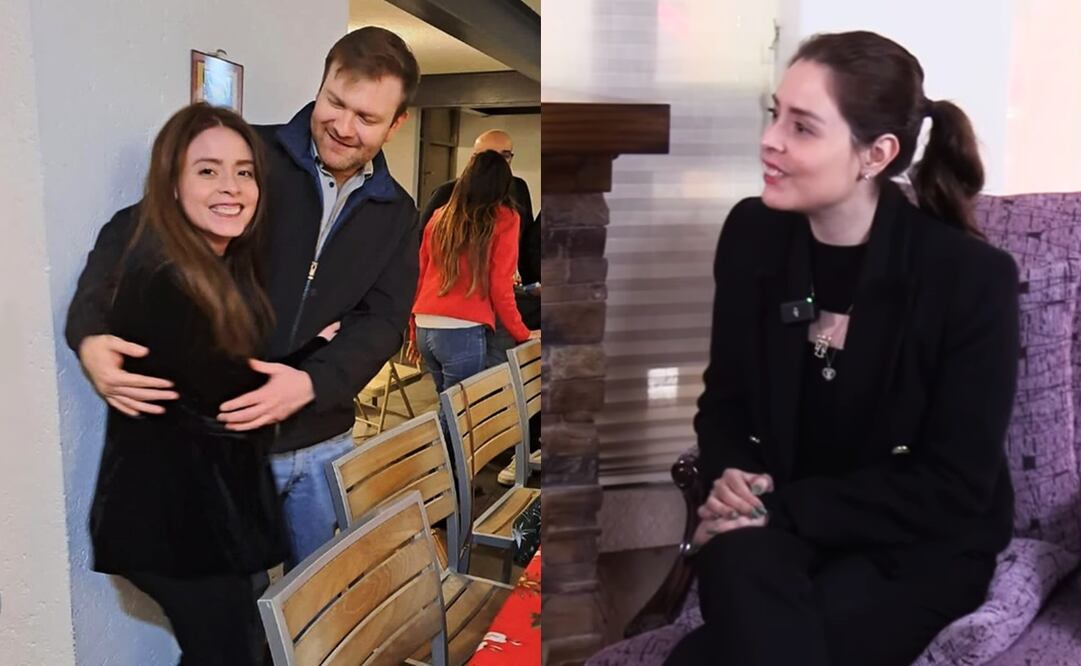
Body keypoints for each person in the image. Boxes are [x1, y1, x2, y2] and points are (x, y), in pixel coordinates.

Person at [665, 31, 1019, 666]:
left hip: (912, 543)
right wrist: (732, 481)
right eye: (775, 115)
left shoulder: (968, 278)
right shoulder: (753, 235)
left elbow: (955, 486)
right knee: (743, 569)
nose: (770, 140)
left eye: (802, 127)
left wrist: (779, 506)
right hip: (775, 520)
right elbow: (726, 404)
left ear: (875, 153)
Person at [66, 27, 421, 569]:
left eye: (367, 118)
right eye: (335, 102)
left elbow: (384, 319)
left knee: (321, 615)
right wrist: (90, 331)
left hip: (323, 442)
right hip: (225, 444)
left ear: (397, 124)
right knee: (238, 620)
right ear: (322, 84)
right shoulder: (248, 156)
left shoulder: (396, 211)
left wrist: (310, 382)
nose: (343, 128)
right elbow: (132, 234)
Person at [87, 103, 292, 665]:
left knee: (222, 652)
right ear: (171, 185)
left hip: (199, 520)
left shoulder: (217, 262)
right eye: (207, 170)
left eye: (243, 171)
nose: (231, 187)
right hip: (176, 526)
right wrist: (312, 359)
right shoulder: (167, 279)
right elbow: (235, 395)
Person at [409, 150, 540, 395]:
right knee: (463, 416)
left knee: (447, 409)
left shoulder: (441, 216)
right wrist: (522, 332)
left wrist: (414, 327)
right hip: (462, 330)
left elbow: (420, 275)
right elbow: (500, 287)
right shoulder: (505, 218)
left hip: (425, 324)